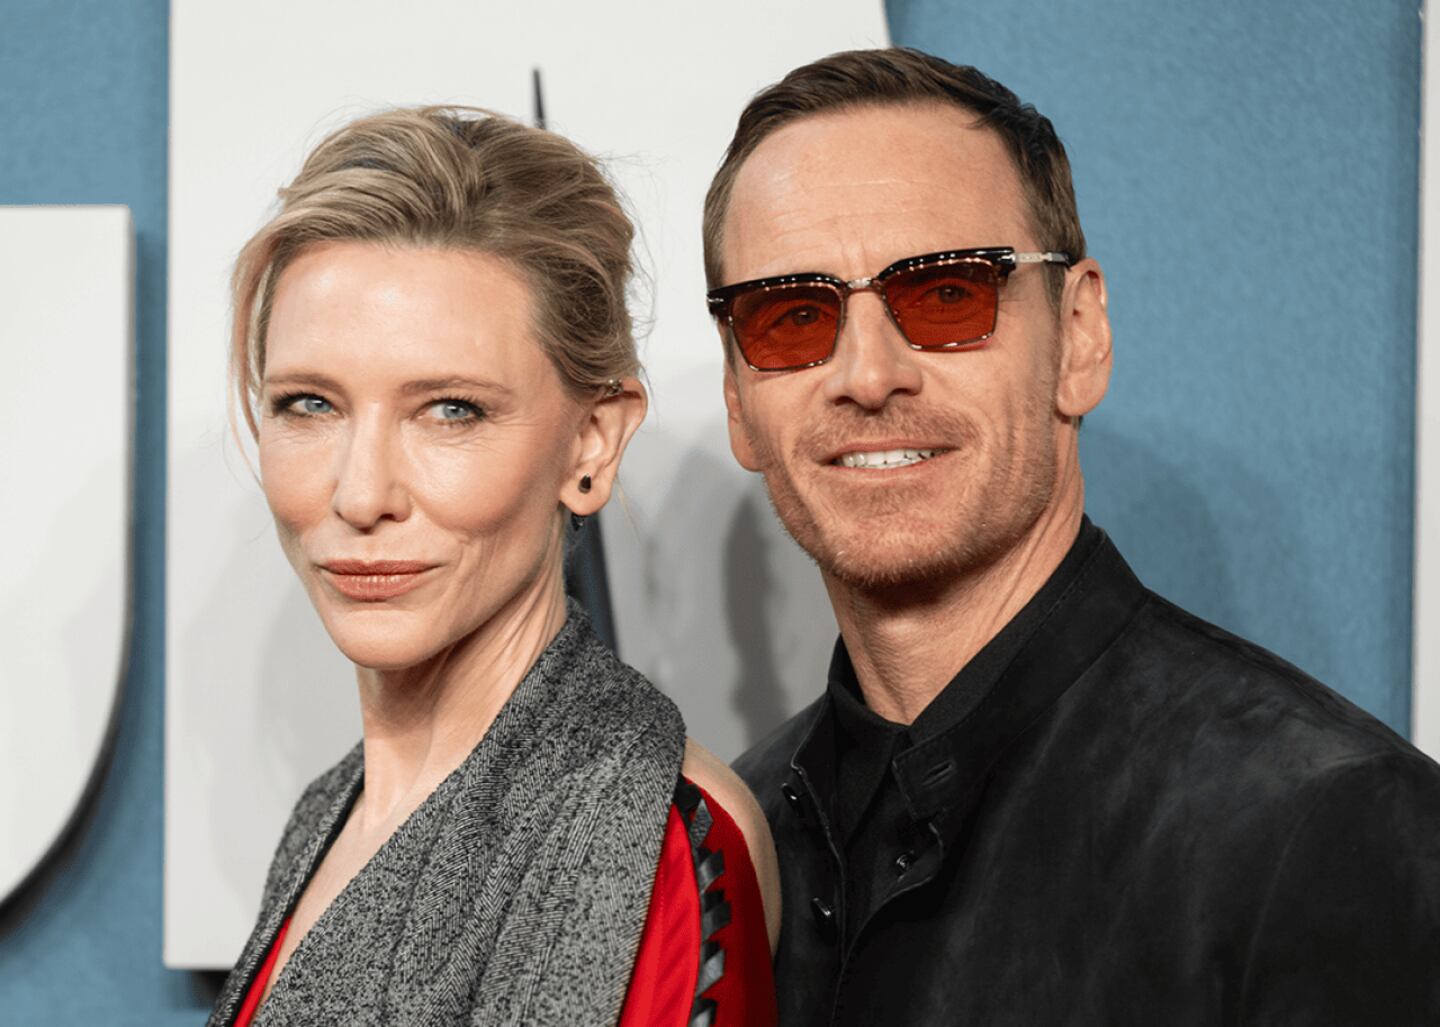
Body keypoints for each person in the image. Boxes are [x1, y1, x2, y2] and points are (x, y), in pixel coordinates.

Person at [708, 48, 1440, 1025]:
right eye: (792, 317)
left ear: (1080, 337)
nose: (868, 375)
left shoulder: (1325, 829)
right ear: (739, 400)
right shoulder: (726, 852)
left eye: (947, 295)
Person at [207, 106, 779, 1027]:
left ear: (592, 441)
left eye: (450, 410)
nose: (361, 493)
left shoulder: (646, 837)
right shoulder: (330, 811)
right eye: (310, 403)